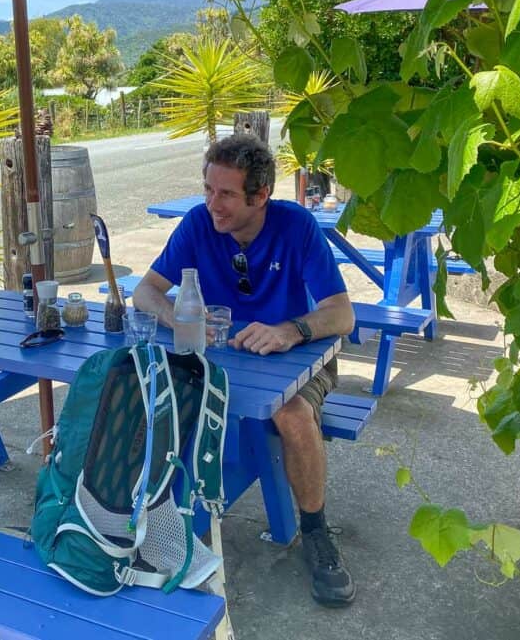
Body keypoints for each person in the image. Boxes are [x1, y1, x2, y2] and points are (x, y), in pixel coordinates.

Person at [132, 134, 357, 607]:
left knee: (291, 414)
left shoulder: (296, 227)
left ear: (260, 196)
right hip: (219, 361)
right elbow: (146, 292)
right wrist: (181, 317)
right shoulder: (197, 225)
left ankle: (315, 531)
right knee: (142, 389)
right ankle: (145, 518)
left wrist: (290, 330)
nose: (213, 204)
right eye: (208, 189)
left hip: (298, 361)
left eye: (227, 194)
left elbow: (342, 315)